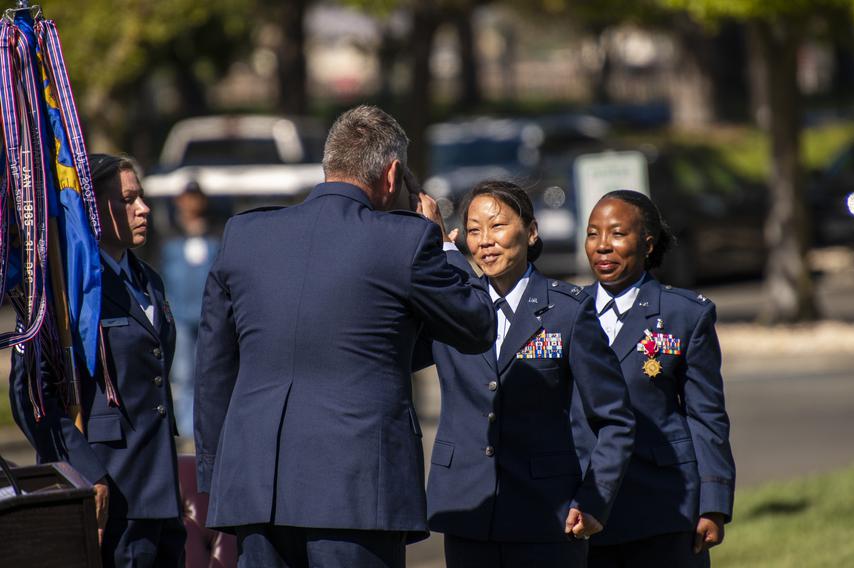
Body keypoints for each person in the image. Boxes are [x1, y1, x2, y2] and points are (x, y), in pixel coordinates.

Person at [193, 105, 496, 568]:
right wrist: (446, 243)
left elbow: (214, 366)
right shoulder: (406, 240)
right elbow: (476, 326)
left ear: (330, 163)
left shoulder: (244, 235)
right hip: (358, 491)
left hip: (256, 486)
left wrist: (217, 477)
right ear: (393, 175)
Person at [414, 181, 636, 568]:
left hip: (547, 515)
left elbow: (615, 417)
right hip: (468, 509)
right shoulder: (451, 306)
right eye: (473, 230)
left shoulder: (568, 310)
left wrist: (595, 499)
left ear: (531, 232)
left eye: (497, 226)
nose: (485, 241)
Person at [9, 154, 185, 567]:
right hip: (110, 497)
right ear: (93, 208)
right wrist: (85, 472)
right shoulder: (64, 290)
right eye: (128, 199)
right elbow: (32, 398)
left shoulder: (149, 282)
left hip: (161, 494)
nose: (144, 209)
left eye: (141, 197)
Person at [576, 190, 736, 568]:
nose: (602, 246)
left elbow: (706, 415)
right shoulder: (564, 309)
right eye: (592, 233)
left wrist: (713, 505)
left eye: (616, 234)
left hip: (663, 505)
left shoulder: (684, 314)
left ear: (647, 244)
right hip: (583, 502)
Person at [160, 181, 220, 437]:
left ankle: (208, 425)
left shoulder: (216, 232)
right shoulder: (168, 234)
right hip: (180, 316)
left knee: (208, 372)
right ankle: (186, 430)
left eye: (195, 197)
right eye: (186, 198)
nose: (191, 203)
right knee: (183, 374)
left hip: (209, 315)